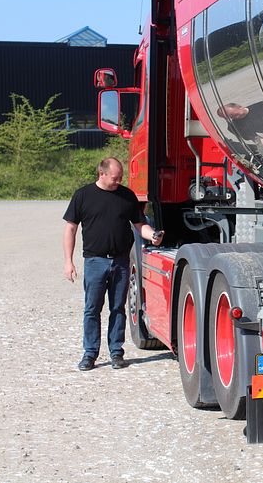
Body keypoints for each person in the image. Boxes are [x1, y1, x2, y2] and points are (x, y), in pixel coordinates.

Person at [63, 157, 163, 371]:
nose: (119, 181)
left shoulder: (126, 196)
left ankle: (116, 352)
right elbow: (71, 228)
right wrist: (68, 261)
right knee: (92, 309)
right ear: (102, 174)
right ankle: (90, 354)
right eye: (115, 178)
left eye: (120, 178)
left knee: (118, 308)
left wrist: (152, 235)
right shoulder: (83, 195)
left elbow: (139, 225)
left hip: (120, 262)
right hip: (94, 262)